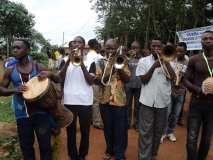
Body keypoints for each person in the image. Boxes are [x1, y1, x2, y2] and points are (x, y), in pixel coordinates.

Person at [0, 39, 59, 160]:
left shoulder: (38, 67)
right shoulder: (10, 70)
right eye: (14, 48)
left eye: (18, 48)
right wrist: (14, 90)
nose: (15, 50)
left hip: (41, 113)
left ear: (27, 50)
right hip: (22, 114)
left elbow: (58, 79)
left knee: (45, 147)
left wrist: (50, 75)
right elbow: (1, 90)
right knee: (26, 147)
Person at [136, 39, 175, 160]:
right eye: (154, 46)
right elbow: (143, 80)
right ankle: (143, 157)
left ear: (162, 47)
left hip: (163, 103)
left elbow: (173, 77)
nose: (156, 48)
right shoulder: (143, 61)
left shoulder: (170, 60)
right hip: (147, 102)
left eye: (159, 46)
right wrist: (154, 66)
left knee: (158, 132)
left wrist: (166, 62)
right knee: (145, 132)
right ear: (150, 46)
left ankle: (152, 155)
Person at [60, 36, 96, 160]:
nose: (76, 44)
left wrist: (81, 64)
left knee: (85, 131)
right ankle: (73, 155)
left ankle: (82, 155)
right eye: (74, 42)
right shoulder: (64, 60)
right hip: (69, 100)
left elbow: (91, 81)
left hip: (85, 101)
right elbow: (59, 78)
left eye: (79, 42)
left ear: (84, 45)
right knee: (71, 131)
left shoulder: (91, 61)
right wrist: (68, 62)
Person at [96, 39, 130, 160]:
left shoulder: (123, 60)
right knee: (108, 128)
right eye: (108, 48)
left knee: (120, 129)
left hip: (119, 101)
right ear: (104, 48)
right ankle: (110, 150)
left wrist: (119, 68)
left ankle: (120, 153)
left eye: (112, 48)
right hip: (104, 100)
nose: (110, 51)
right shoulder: (99, 62)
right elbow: (99, 81)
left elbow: (127, 80)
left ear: (117, 48)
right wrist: (110, 68)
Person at [184, 30, 213, 160]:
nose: (208, 40)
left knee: (207, 139)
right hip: (196, 103)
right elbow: (185, 79)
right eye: (205, 38)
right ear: (200, 42)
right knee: (191, 138)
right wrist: (198, 89)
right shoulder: (194, 59)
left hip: (212, 106)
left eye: (211, 38)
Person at [162, 42, 189, 142]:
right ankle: (163, 133)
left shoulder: (188, 61)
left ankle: (170, 132)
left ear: (185, 51)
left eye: (181, 51)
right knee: (167, 113)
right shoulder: (171, 59)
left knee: (176, 114)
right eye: (177, 51)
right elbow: (167, 74)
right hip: (170, 91)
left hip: (181, 92)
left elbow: (188, 76)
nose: (178, 53)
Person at [125, 40, 142, 129]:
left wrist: (139, 57)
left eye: (136, 48)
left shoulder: (143, 59)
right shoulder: (127, 58)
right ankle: (127, 123)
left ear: (140, 49)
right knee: (127, 105)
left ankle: (137, 124)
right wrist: (126, 59)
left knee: (138, 106)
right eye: (132, 48)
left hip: (139, 86)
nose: (134, 49)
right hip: (128, 85)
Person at [87, 38, 103, 129]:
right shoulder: (98, 56)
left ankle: (90, 120)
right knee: (96, 102)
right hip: (96, 81)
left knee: (90, 101)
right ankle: (97, 122)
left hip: (87, 80)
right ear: (96, 45)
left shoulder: (87, 55)